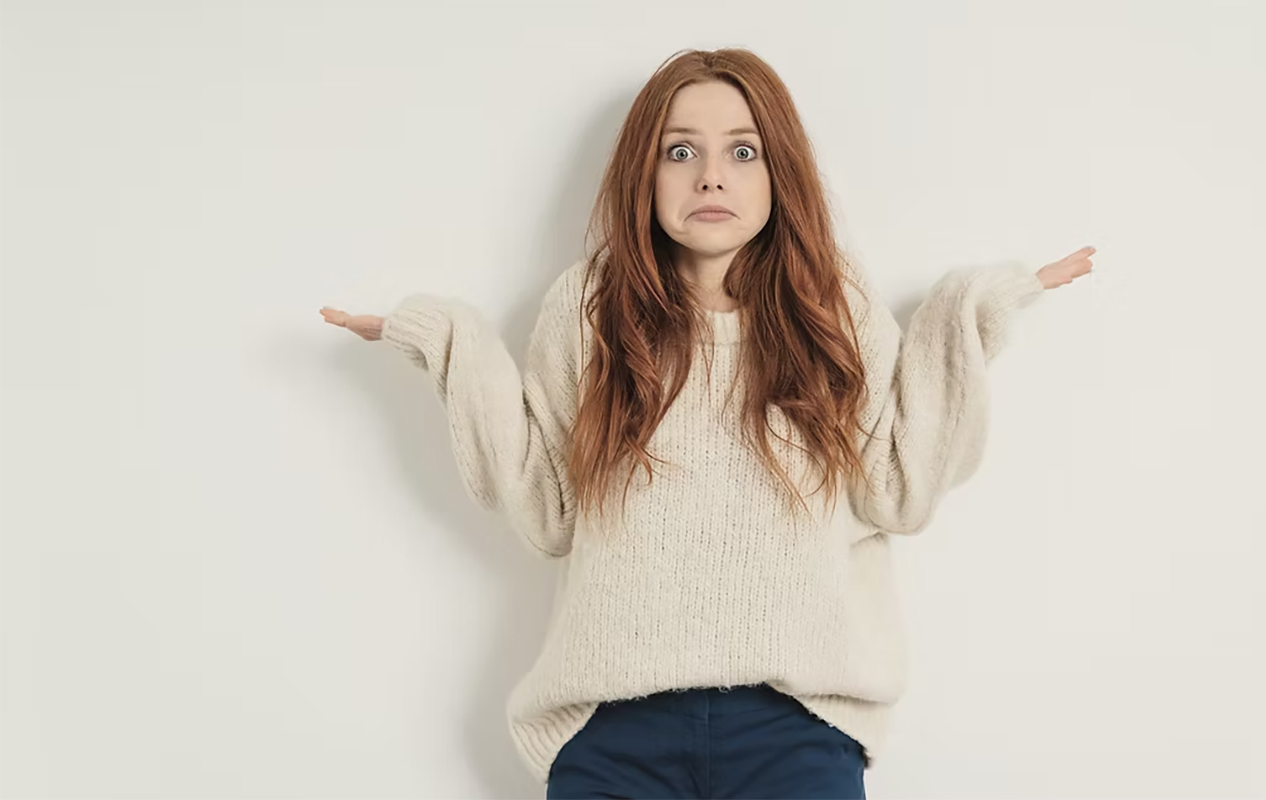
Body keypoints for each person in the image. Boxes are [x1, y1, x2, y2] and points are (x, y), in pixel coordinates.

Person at [320, 47, 1093, 800]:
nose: (711, 175)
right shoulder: (591, 311)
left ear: (780, 171)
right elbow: (547, 510)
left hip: (796, 730)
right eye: (680, 150)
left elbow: (898, 488)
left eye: (744, 151)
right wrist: (447, 340)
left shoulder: (834, 309)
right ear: (643, 176)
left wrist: (969, 312)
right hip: (614, 732)